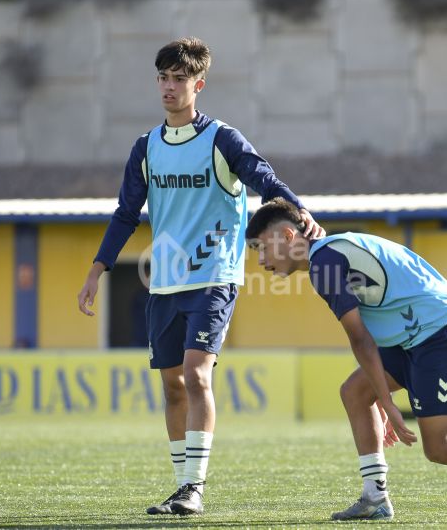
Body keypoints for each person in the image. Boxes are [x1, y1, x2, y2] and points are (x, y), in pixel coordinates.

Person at [77, 38, 324, 516]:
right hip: (163, 284)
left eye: (179, 79)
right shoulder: (145, 147)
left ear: (198, 84)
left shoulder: (222, 140)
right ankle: (181, 487)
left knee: (195, 375)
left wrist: (298, 208)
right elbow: (126, 214)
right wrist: (97, 269)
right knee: (172, 386)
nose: (169, 88)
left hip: (214, 276)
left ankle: (195, 488)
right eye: (163, 79)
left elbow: (263, 177)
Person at [245, 198, 447, 523]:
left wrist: (387, 402)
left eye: (261, 247)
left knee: (441, 446)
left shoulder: (324, 263)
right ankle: (375, 497)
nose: (260, 260)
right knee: (356, 392)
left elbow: (360, 338)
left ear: (288, 236)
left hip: (437, 330)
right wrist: (380, 396)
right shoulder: (332, 251)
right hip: (416, 332)